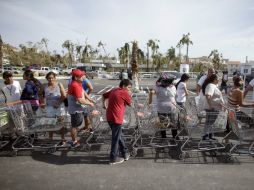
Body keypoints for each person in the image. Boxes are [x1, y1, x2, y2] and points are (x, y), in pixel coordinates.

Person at [102, 79, 132, 165]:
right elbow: (130, 103)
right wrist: (129, 95)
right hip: (116, 118)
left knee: (119, 136)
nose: (129, 89)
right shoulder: (124, 92)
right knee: (116, 138)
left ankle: (125, 153)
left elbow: (103, 95)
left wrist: (104, 105)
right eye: (129, 88)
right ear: (123, 86)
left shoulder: (114, 90)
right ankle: (113, 158)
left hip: (110, 117)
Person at [67, 69, 94, 147]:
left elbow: (83, 91)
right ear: (76, 77)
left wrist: (89, 98)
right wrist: (89, 103)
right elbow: (80, 100)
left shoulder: (78, 83)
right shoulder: (75, 85)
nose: (84, 77)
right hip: (76, 109)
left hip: (78, 109)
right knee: (74, 126)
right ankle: (74, 141)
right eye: (81, 76)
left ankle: (74, 139)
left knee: (76, 125)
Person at [40, 72, 67, 144]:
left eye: (52, 78)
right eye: (49, 78)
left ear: (55, 78)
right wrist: (42, 102)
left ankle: (63, 138)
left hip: (59, 107)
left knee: (61, 123)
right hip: (49, 107)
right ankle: (50, 137)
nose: (51, 79)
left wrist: (58, 103)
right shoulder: (44, 86)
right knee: (50, 124)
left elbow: (64, 95)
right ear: (46, 79)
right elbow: (40, 94)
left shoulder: (59, 84)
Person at [202, 74, 224, 140]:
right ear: (214, 80)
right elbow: (208, 96)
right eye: (218, 79)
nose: (219, 80)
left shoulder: (212, 85)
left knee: (210, 121)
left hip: (213, 107)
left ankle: (209, 135)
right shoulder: (211, 86)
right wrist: (210, 106)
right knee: (210, 121)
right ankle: (206, 135)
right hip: (212, 108)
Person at [0, 71, 22, 138]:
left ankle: (20, 132)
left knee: (19, 119)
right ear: (4, 78)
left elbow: (20, 92)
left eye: (10, 76)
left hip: (18, 104)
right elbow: (1, 95)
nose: (9, 78)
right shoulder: (1, 84)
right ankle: (12, 134)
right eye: (7, 77)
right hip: (9, 105)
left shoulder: (17, 83)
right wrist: (3, 103)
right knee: (10, 119)